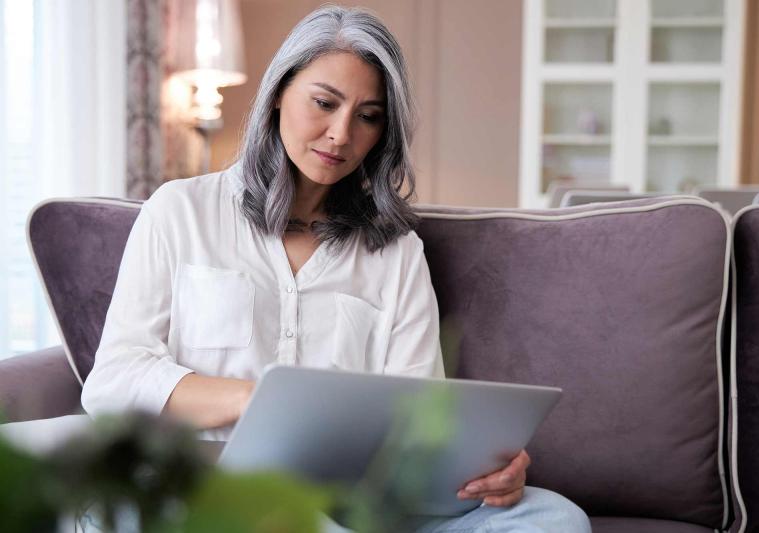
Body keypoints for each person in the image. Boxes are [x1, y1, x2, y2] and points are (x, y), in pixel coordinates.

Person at [81, 5, 591, 532]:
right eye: (324, 103)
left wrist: (487, 470)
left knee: (553, 517)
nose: (340, 134)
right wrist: (260, 401)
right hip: (212, 495)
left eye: (367, 116)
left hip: (350, 504)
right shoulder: (180, 212)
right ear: (280, 91)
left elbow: (419, 419)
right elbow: (113, 381)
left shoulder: (396, 254)